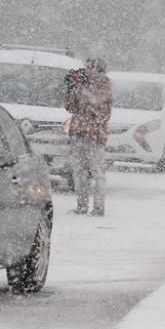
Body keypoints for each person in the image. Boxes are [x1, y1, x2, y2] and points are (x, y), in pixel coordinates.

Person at [64, 57, 112, 216]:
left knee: (97, 171)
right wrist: (72, 87)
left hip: (94, 135)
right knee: (79, 172)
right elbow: (70, 107)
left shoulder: (103, 84)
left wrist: (83, 87)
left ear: (99, 69)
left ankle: (98, 207)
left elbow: (97, 107)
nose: (87, 70)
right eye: (86, 67)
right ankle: (82, 205)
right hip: (78, 133)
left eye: (90, 68)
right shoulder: (85, 84)